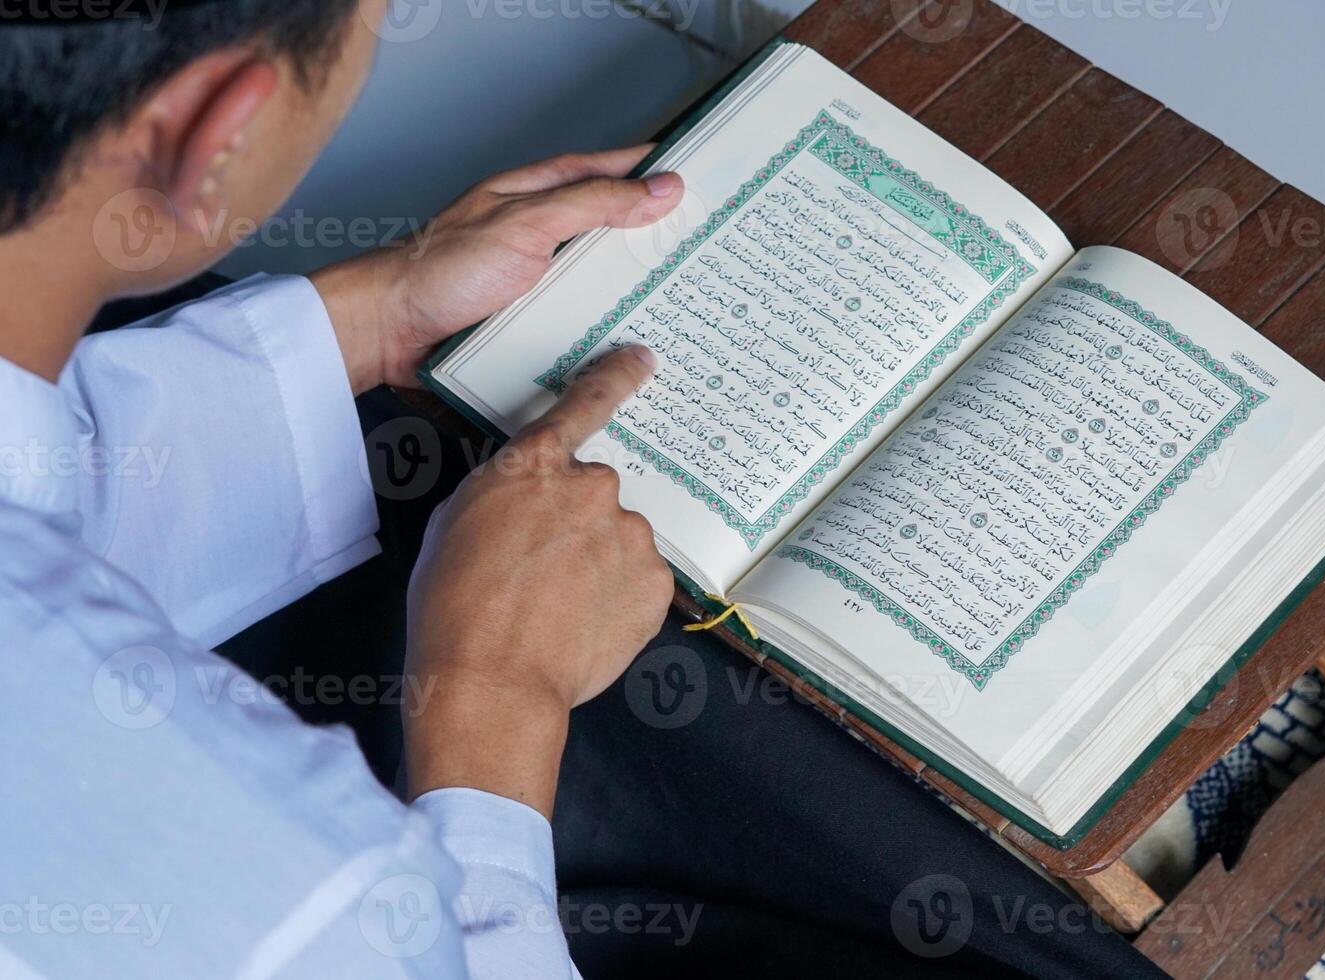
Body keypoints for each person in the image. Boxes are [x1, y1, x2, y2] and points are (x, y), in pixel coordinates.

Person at [1, 2, 1168, 976]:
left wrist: (378, 311)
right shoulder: (256, 861)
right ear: (219, 129)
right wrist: (492, 693)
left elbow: (39, 492)